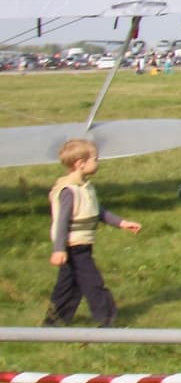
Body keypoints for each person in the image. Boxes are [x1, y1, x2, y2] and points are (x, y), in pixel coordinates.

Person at [44, 138, 142, 327]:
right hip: (73, 248)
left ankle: (53, 323)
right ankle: (106, 320)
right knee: (93, 283)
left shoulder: (85, 188)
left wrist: (122, 223)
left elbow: (98, 211)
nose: (98, 162)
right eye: (95, 159)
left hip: (82, 246)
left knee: (69, 286)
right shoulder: (69, 191)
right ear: (80, 164)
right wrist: (59, 249)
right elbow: (62, 223)